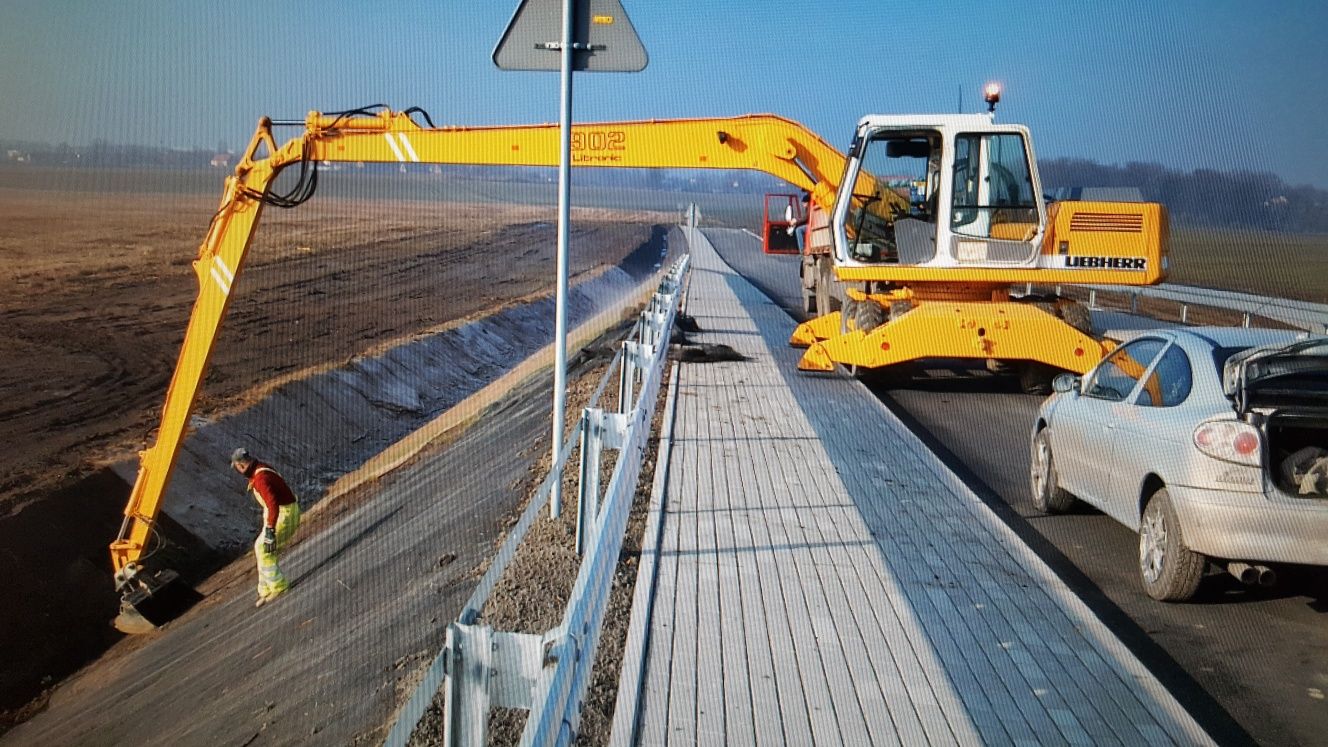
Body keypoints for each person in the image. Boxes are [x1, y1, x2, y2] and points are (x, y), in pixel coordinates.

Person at [231, 447, 301, 607]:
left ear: (241, 466)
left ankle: (279, 586)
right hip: (285, 512)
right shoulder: (261, 468)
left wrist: (270, 529)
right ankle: (265, 589)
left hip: (285, 515)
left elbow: (272, 505)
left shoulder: (261, 479)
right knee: (260, 548)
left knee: (265, 549)